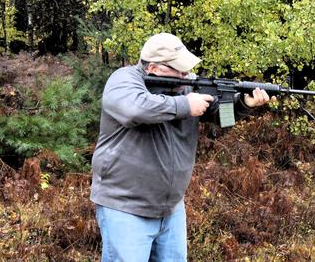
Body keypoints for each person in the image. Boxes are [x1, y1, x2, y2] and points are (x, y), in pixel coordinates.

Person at [90, 32, 271, 261]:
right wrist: (185, 105)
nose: (186, 74)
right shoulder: (123, 80)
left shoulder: (184, 86)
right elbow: (135, 109)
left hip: (171, 209)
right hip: (126, 208)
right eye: (179, 69)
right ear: (154, 68)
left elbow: (217, 114)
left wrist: (244, 104)